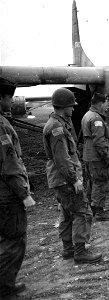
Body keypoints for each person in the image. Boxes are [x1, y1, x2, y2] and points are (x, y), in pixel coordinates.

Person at [43, 88, 102, 264]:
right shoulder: (56, 128)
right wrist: (74, 179)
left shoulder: (59, 123)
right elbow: (62, 158)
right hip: (65, 178)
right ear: (63, 107)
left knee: (67, 213)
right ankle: (80, 251)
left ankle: (68, 249)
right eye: (71, 106)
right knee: (82, 212)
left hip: (59, 179)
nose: (74, 109)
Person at [0, 77, 36, 298]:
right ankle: (4, 289)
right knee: (14, 242)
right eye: (9, 97)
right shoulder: (2, 126)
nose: (11, 102)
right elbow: (10, 164)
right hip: (7, 197)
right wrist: (24, 194)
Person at [81, 92, 109, 221]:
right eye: (104, 104)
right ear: (99, 104)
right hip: (97, 157)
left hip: (89, 156)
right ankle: (99, 212)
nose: (105, 107)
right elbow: (99, 141)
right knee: (101, 182)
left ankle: (92, 209)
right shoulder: (96, 119)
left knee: (92, 182)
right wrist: (107, 156)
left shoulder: (87, 115)